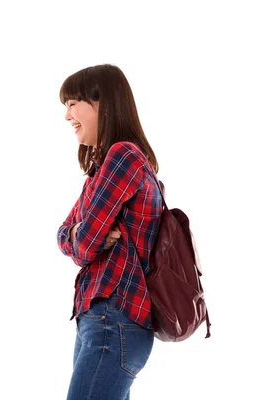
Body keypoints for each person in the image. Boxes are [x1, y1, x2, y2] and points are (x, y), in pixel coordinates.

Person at [56, 64, 163, 400]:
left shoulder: (123, 156)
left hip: (112, 319)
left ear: (102, 103)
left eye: (73, 103)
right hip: (105, 322)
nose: (67, 116)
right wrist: (77, 234)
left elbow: (84, 247)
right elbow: (64, 234)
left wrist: (81, 236)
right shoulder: (100, 171)